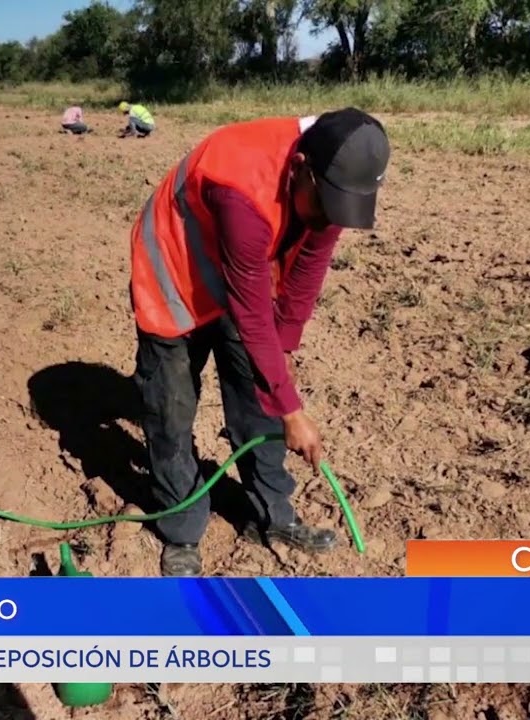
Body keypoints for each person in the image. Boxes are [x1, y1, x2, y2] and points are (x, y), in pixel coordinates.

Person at [128, 108, 390, 576]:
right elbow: (250, 309)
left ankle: (271, 516)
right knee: (170, 407)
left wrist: (277, 377)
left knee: (258, 393)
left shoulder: (331, 179)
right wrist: (292, 410)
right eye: (324, 201)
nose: (330, 215)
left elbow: (307, 270)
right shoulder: (241, 187)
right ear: (299, 167)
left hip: (240, 264)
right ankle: (182, 529)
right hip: (175, 271)